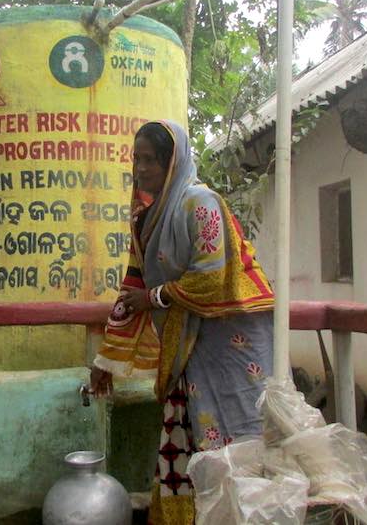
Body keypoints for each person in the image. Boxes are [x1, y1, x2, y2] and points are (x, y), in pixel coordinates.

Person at [89, 120, 275, 525]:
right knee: (187, 429)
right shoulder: (144, 217)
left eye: (150, 159)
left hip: (231, 337)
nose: (140, 169)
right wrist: (106, 359)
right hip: (186, 336)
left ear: (172, 161)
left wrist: (155, 297)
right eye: (135, 159)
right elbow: (134, 283)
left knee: (237, 432)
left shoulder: (200, 203)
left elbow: (211, 277)